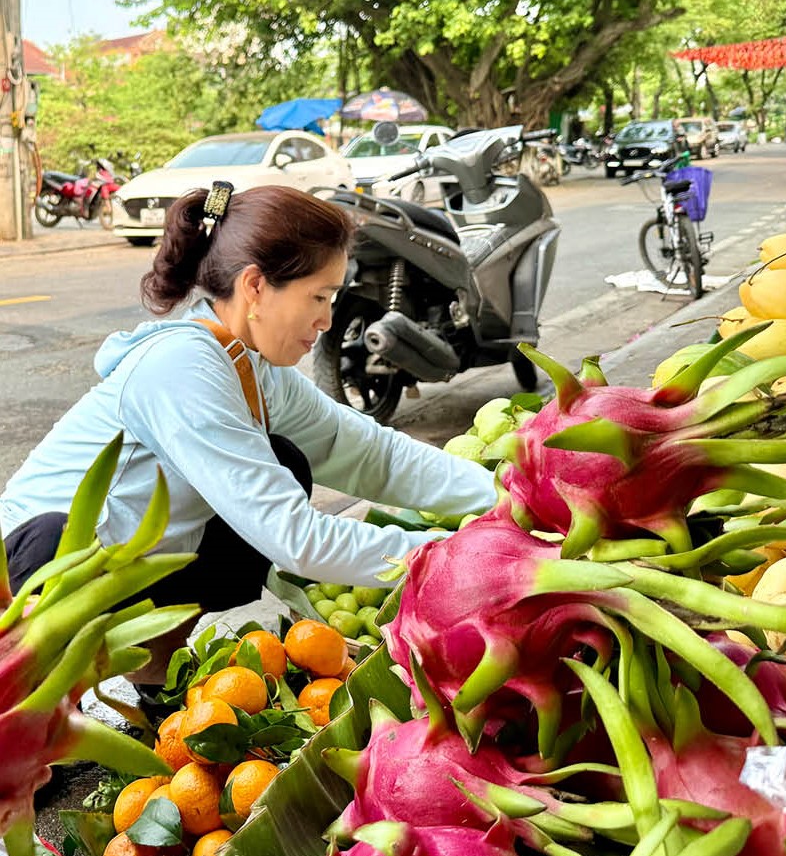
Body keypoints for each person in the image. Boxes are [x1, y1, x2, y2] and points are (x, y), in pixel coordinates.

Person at [1, 182, 496, 621]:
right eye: (319, 297)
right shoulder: (181, 367)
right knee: (61, 542)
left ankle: (156, 681)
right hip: (30, 570)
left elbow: (370, 453)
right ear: (256, 286)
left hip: (123, 570)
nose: (327, 321)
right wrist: (479, 558)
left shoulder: (252, 365)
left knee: (285, 461)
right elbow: (296, 539)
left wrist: (507, 493)